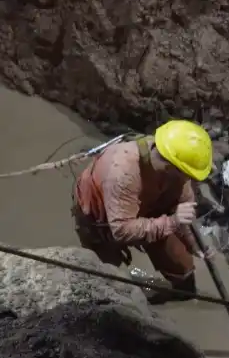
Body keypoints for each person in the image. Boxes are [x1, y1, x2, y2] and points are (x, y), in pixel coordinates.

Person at [72, 120, 213, 304]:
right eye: (187, 175)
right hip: (101, 218)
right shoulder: (123, 171)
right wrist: (172, 222)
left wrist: (195, 246)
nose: (189, 181)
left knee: (180, 263)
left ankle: (183, 296)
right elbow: (122, 230)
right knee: (106, 277)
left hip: (150, 208)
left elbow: (185, 210)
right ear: (172, 167)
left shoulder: (177, 173)